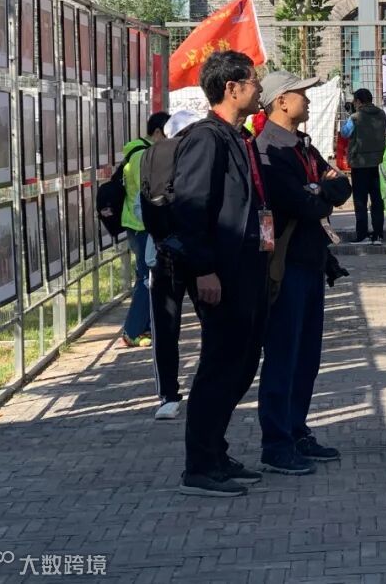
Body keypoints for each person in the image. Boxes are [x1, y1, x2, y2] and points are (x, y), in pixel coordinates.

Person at [167, 50, 269, 498]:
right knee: (220, 364)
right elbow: (191, 208)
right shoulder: (206, 138)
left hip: (247, 267)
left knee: (243, 361)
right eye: (254, 80)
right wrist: (205, 269)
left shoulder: (238, 137)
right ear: (232, 88)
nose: (259, 88)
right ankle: (199, 466)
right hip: (220, 273)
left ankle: (217, 451)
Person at [255, 70, 353, 476]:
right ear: (280, 101)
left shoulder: (303, 146)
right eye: (301, 94)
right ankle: (276, 443)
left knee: (307, 357)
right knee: (283, 355)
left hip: (312, 262)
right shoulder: (268, 149)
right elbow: (303, 205)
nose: (308, 100)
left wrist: (319, 191)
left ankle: (297, 430)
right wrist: (318, 193)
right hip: (287, 266)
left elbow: (341, 187)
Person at [149, 111, 199, 422]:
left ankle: (168, 395)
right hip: (199, 252)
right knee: (214, 322)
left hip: (163, 253)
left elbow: (143, 203)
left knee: (165, 328)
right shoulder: (199, 155)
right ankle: (213, 383)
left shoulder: (150, 156)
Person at [117, 111, 171, 349]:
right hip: (141, 225)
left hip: (136, 222)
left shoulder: (138, 150)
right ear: (158, 132)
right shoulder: (143, 155)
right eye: (167, 134)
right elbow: (147, 192)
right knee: (145, 279)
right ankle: (132, 330)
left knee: (147, 276)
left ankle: (144, 326)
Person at [341, 88, 386, 244]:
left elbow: (345, 133)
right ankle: (378, 235)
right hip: (378, 163)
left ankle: (362, 235)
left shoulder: (355, 118)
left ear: (358, 101)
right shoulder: (381, 114)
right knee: (377, 201)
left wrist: (350, 115)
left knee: (360, 201)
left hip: (360, 164)